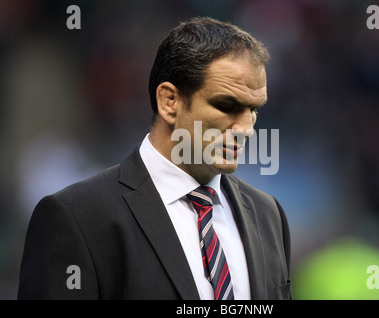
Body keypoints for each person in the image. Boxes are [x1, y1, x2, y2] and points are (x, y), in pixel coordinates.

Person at [17, 17, 291, 300]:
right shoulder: (77, 218)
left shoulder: (268, 215)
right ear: (169, 102)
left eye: (254, 109)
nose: (246, 129)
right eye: (226, 105)